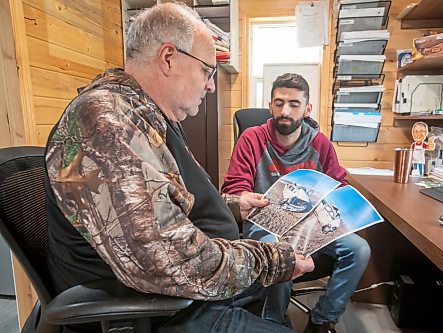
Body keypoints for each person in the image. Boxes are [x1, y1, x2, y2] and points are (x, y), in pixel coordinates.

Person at [44, 4, 314, 333]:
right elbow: (174, 262)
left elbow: (163, 200)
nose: (211, 85)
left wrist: (234, 206)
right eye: (206, 70)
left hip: (185, 291)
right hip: (159, 309)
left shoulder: (145, 114)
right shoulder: (107, 122)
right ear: (168, 58)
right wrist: (274, 260)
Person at [222, 73, 371, 333]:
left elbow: (339, 184)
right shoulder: (251, 139)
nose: (285, 111)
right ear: (270, 106)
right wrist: (245, 197)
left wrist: (337, 205)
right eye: (278, 103)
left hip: (312, 222)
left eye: (293, 104)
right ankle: (275, 322)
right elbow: (234, 189)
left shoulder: (319, 143)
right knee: (281, 252)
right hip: (266, 222)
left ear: (307, 109)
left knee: (359, 249)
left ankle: (323, 319)